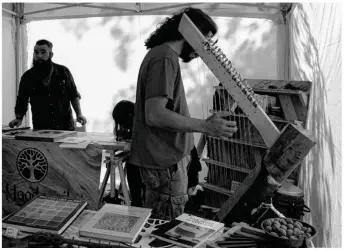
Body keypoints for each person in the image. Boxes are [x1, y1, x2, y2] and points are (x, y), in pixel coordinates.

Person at [128, 7, 238, 220]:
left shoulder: (165, 56)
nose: (205, 50)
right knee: (163, 231)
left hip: (169, 162)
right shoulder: (164, 58)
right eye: (205, 42)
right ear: (191, 34)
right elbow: (154, 114)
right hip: (165, 164)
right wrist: (205, 126)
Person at [9, 39, 86, 131]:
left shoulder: (63, 72)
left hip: (65, 128)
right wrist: (19, 118)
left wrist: (79, 114)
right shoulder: (27, 77)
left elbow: (73, 95)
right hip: (41, 129)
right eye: (36, 52)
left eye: (43, 52)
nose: (39, 56)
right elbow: (22, 100)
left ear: (51, 54)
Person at [112, 100, 146, 207]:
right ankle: (137, 202)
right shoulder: (141, 119)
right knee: (131, 165)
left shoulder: (142, 126)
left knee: (132, 168)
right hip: (144, 162)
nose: (121, 126)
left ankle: (137, 203)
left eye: (121, 122)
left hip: (146, 164)